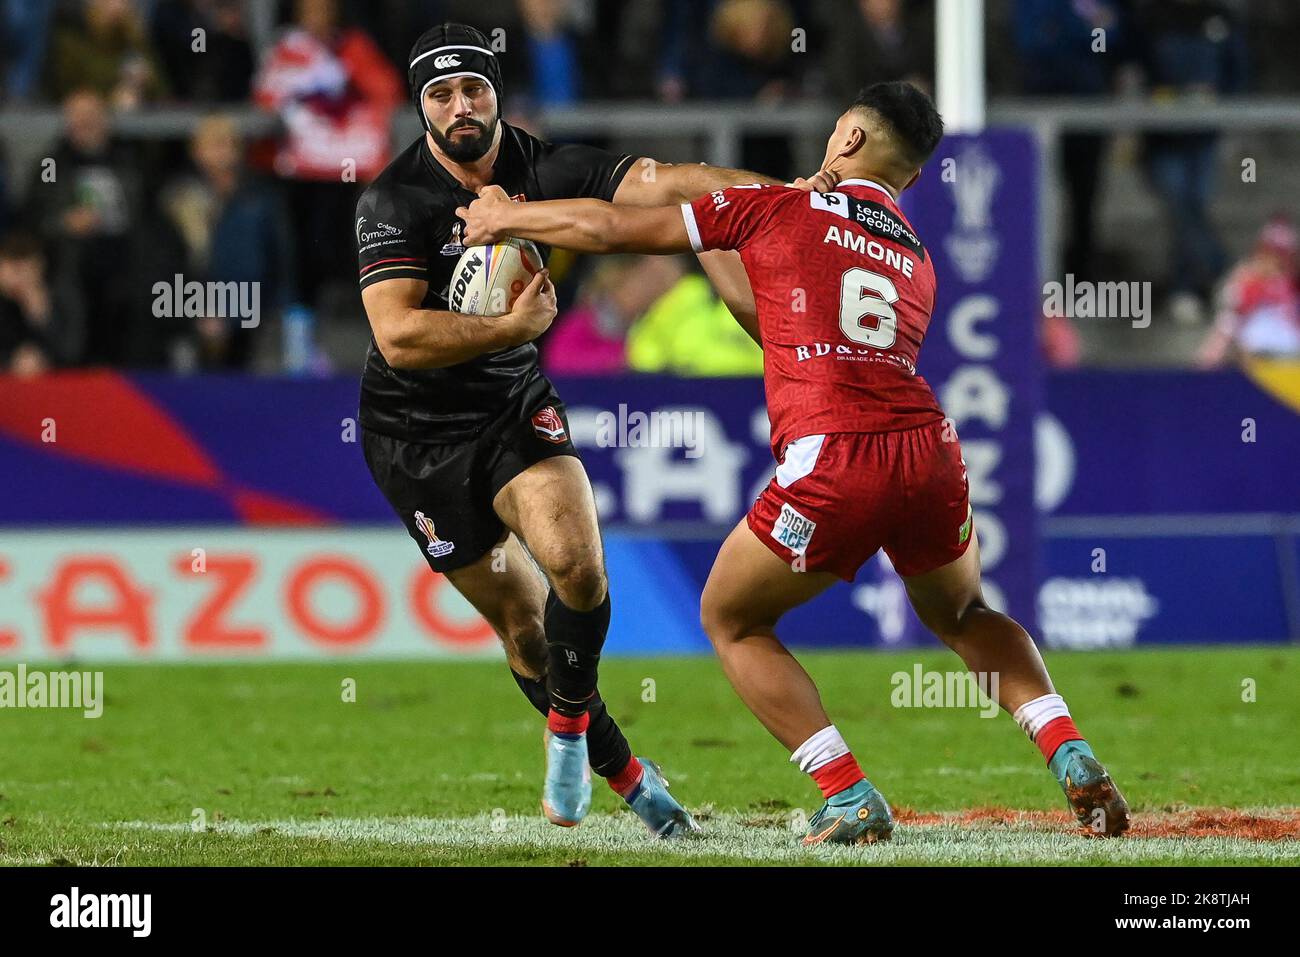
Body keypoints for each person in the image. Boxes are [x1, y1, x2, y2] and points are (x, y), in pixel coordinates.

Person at [460, 81, 1132, 845]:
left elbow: (613, 229)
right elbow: (772, 320)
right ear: (907, 179)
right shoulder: (915, 259)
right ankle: (1069, 748)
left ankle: (846, 792)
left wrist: (505, 215)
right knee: (965, 613)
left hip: (836, 454)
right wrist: (721, 239)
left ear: (845, 138)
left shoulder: (777, 205)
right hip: (930, 449)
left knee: (732, 617)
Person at [355, 22, 801, 837]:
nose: (462, 107)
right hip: (414, 438)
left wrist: (787, 195)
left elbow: (672, 183)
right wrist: (511, 327)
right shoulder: (393, 199)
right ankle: (627, 771)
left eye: (476, 88)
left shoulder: (546, 166)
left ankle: (564, 734)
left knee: (578, 571)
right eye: (443, 94)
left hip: (511, 406)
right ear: (422, 106)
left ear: (497, 92)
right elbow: (399, 337)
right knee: (524, 628)